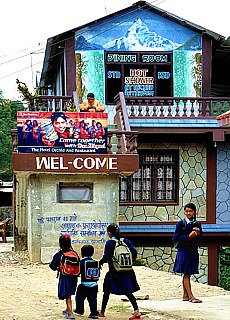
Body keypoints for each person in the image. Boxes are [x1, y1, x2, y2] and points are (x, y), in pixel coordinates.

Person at [98, 223, 141, 318]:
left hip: (114, 271)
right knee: (128, 292)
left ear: (109, 233)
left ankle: (102, 311)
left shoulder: (110, 243)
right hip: (127, 270)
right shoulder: (125, 241)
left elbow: (107, 256)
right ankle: (136, 310)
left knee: (106, 291)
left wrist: (100, 263)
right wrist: (129, 262)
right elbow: (134, 252)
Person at [172, 203, 203, 303]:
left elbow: (201, 238)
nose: (188, 213)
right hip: (183, 251)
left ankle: (185, 295)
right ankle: (191, 296)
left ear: (194, 212)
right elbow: (175, 237)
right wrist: (188, 236)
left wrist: (198, 233)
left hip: (193, 251)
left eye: (190, 211)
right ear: (184, 212)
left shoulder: (197, 224)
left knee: (188, 273)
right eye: (187, 211)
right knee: (186, 273)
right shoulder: (181, 223)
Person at [49, 234, 78, 319]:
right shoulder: (74, 253)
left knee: (67, 295)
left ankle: (70, 313)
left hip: (65, 277)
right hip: (74, 277)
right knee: (69, 293)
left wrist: (58, 267)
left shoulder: (59, 255)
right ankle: (67, 309)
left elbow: (52, 266)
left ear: (60, 244)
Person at [74, 245, 99, 319]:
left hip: (84, 284)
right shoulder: (95, 262)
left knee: (79, 298)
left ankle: (79, 310)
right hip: (94, 285)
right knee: (93, 299)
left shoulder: (82, 262)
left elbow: (78, 272)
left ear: (82, 253)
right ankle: (94, 313)